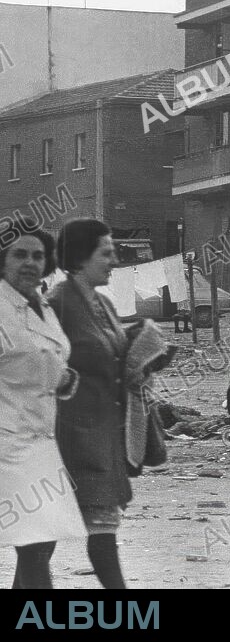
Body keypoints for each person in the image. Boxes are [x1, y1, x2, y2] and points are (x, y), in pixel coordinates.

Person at [1, 226, 87, 589]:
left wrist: (64, 378)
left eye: (37, 256)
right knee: (35, 542)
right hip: (8, 442)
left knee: (41, 542)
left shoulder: (41, 304)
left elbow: (46, 356)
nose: (30, 263)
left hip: (40, 438)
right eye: (19, 254)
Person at [49, 219, 132, 589]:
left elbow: (115, 359)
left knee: (99, 528)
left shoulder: (105, 304)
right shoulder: (56, 305)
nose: (114, 259)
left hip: (103, 436)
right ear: (81, 258)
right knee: (42, 540)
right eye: (107, 252)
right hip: (68, 437)